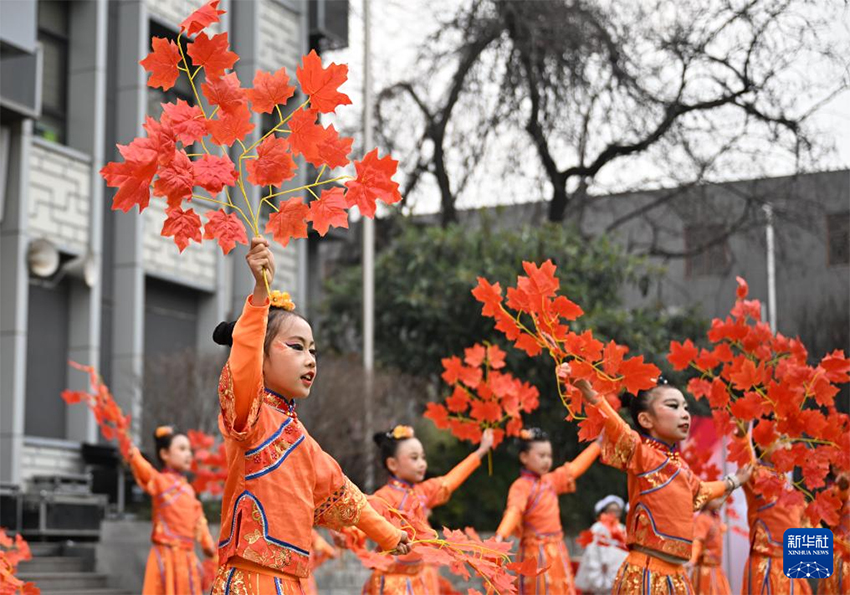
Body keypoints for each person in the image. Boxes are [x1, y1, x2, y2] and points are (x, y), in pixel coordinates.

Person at [210, 237, 409, 594]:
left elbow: (345, 495)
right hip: (252, 580)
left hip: (293, 582)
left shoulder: (301, 438)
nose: (310, 360)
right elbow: (242, 364)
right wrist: (259, 294)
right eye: (297, 347)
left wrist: (389, 534)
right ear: (260, 356)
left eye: (313, 351)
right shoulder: (249, 416)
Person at [564, 364, 752, 594]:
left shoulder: (681, 468)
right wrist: (589, 392)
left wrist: (734, 481)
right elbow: (617, 426)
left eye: (685, 407)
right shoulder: (641, 454)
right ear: (645, 419)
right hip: (646, 575)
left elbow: (702, 490)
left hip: (678, 577)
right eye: (673, 406)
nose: (684, 413)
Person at [360, 425, 494, 594]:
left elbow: (450, 481)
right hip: (392, 583)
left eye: (423, 457)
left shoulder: (423, 491)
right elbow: (362, 520)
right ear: (392, 464)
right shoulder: (383, 497)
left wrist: (481, 451)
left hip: (421, 579)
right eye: (414, 458)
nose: (422, 463)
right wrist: (344, 535)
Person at [494, 427, 601, 594]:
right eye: (541, 455)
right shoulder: (521, 485)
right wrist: (500, 535)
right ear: (524, 457)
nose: (546, 461)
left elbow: (574, 469)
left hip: (557, 549)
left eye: (549, 456)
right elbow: (514, 511)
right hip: (534, 552)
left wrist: (598, 445)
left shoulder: (551, 480)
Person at [126, 425, 216, 595]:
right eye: (181, 449)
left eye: (189, 449)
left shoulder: (189, 490)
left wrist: (209, 546)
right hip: (166, 555)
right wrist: (135, 456)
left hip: (188, 557)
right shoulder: (161, 482)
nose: (188, 454)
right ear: (164, 454)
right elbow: (147, 473)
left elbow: (199, 520)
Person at [574, 495, 628, 595]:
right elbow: (592, 553)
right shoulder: (597, 528)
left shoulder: (622, 529)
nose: (614, 513)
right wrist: (599, 579)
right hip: (600, 577)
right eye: (611, 510)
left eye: (617, 510)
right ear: (605, 511)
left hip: (618, 578)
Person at [689, 496, 731, 595]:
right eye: (715, 498)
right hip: (705, 570)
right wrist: (692, 561)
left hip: (716, 568)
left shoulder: (715, 518)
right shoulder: (702, 519)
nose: (719, 501)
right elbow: (697, 542)